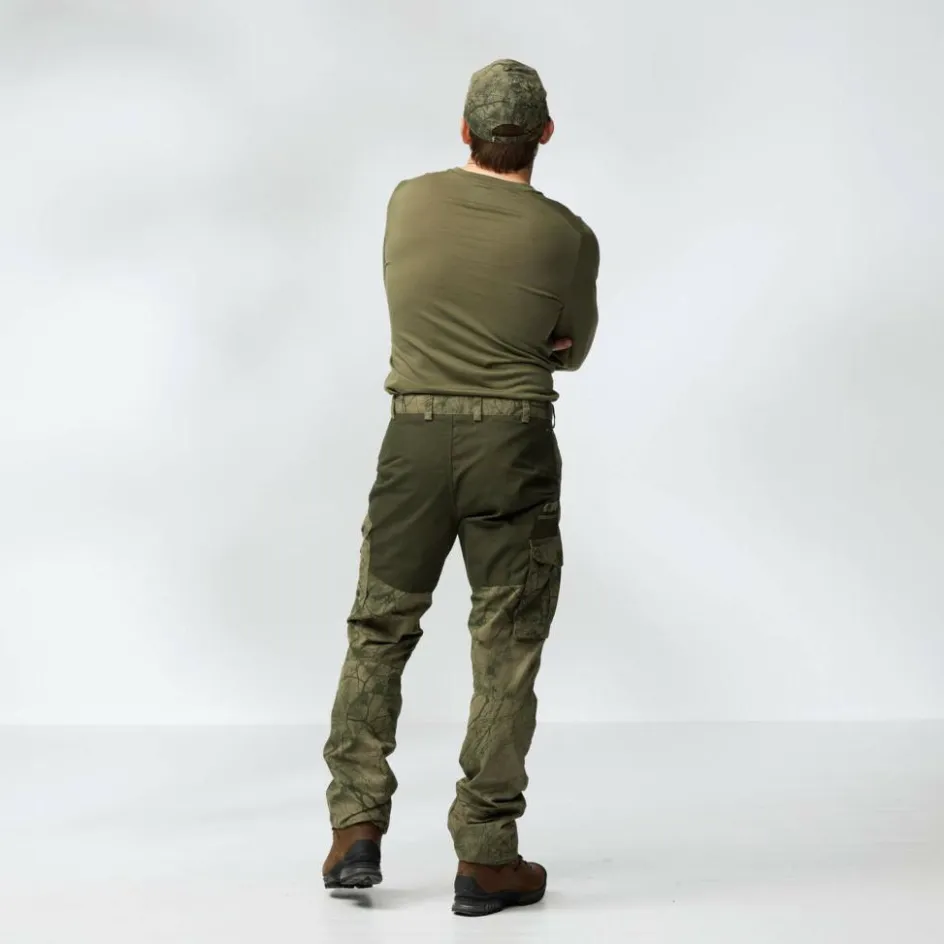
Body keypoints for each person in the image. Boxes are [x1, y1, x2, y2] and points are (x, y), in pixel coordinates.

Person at [320, 57, 600, 918]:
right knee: (505, 643)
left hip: (412, 442)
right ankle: (486, 857)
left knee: (380, 627)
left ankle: (354, 828)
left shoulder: (409, 201)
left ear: (464, 130)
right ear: (545, 134)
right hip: (512, 445)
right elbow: (572, 348)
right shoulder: (567, 236)